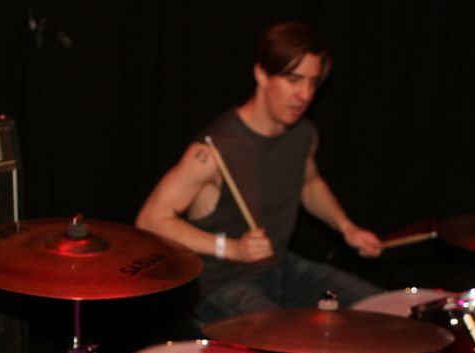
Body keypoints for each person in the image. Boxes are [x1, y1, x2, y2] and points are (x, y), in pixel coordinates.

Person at [136, 20, 382, 326]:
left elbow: (309, 184)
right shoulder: (214, 149)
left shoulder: (303, 133)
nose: (305, 95)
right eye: (293, 80)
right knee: (286, 337)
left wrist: (347, 228)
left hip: (282, 266)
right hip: (223, 282)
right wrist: (232, 248)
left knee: (381, 311)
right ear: (262, 74)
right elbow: (151, 219)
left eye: (313, 82)